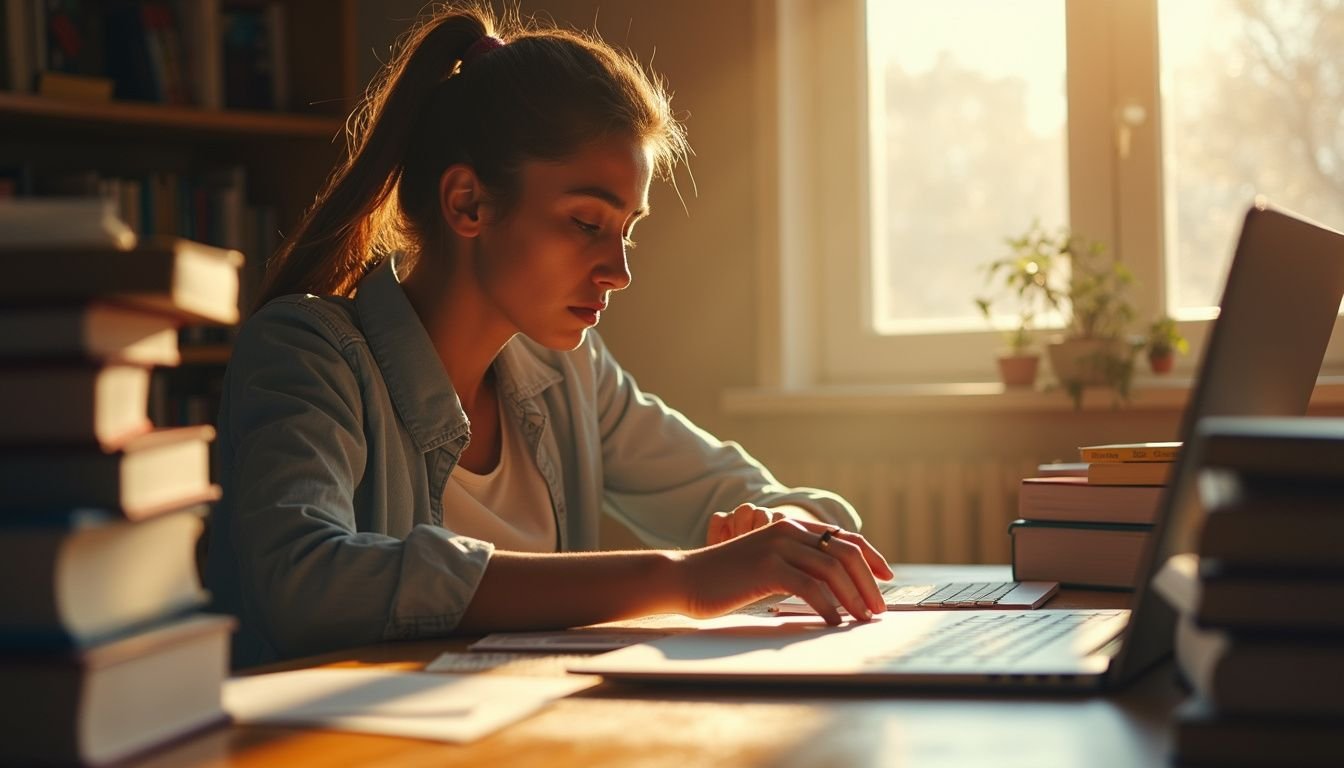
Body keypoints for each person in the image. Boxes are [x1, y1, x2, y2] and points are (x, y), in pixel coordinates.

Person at [203, 4, 893, 668]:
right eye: (587, 223)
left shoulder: (565, 372)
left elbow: (764, 495)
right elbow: (306, 579)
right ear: (467, 203)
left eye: (628, 230)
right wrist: (682, 579)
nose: (619, 271)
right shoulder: (306, 353)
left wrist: (781, 529)